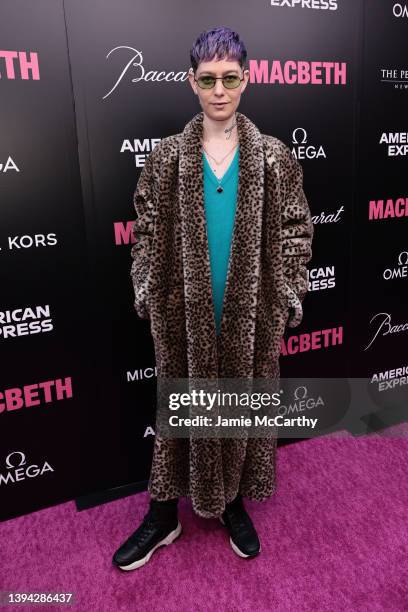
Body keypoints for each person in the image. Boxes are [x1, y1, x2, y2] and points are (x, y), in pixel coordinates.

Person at [113, 26, 314, 571]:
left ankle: (232, 504)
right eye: (208, 80)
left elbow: (297, 230)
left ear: (245, 80)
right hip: (183, 318)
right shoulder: (165, 160)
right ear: (192, 83)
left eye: (229, 78)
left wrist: (286, 296)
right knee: (180, 413)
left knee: (239, 413)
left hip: (250, 319)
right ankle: (163, 515)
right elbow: (147, 234)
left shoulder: (272, 158)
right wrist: (147, 292)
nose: (219, 90)